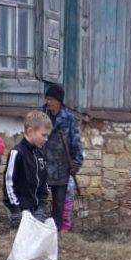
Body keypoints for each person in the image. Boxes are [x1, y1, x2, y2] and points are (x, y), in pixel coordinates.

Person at [2, 110, 69, 260]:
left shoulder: (39, 155)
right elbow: (8, 182)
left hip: (36, 211)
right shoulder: (17, 153)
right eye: (44, 135)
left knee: (40, 255)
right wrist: (15, 210)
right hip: (21, 211)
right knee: (24, 255)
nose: (46, 140)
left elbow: (43, 182)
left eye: (48, 136)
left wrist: (42, 204)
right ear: (30, 130)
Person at [41, 84, 83, 231]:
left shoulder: (69, 118)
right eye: (47, 99)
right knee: (40, 201)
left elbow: (76, 144)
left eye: (51, 99)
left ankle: (56, 233)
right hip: (43, 167)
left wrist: (76, 164)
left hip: (61, 169)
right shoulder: (41, 115)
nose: (48, 102)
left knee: (59, 205)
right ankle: (39, 231)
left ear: (59, 100)